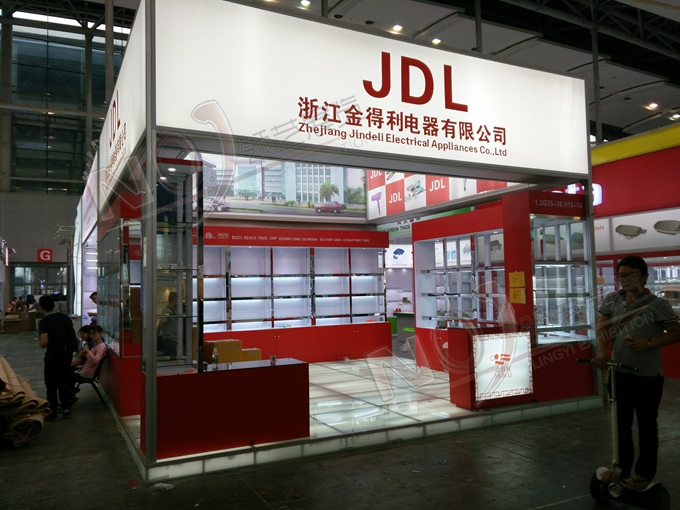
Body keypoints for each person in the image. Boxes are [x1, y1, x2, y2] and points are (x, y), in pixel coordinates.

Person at [595, 255, 680, 490]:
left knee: (646, 425)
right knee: (620, 425)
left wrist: (649, 343)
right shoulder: (613, 299)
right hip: (619, 373)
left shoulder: (657, 304)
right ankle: (620, 468)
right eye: (621, 276)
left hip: (647, 376)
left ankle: (643, 474)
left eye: (631, 276)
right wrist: (602, 351)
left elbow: (676, 332)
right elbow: (603, 325)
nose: (625, 280)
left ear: (643, 277)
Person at [38, 294, 78, 421]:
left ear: (41, 308)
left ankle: (53, 412)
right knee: (63, 381)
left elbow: (45, 341)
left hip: (53, 356)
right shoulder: (64, 317)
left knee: (51, 384)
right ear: (54, 305)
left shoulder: (44, 322)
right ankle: (66, 407)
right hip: (67, 354)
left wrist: (40, 344)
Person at [157, 291, 178, 357]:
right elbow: (161, 324)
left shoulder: (174, 310)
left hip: (173, 339)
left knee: (166, 355)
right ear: (174, 300)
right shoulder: (166, 310)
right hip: (169, 339)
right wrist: (156, 335)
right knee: (172, 357)